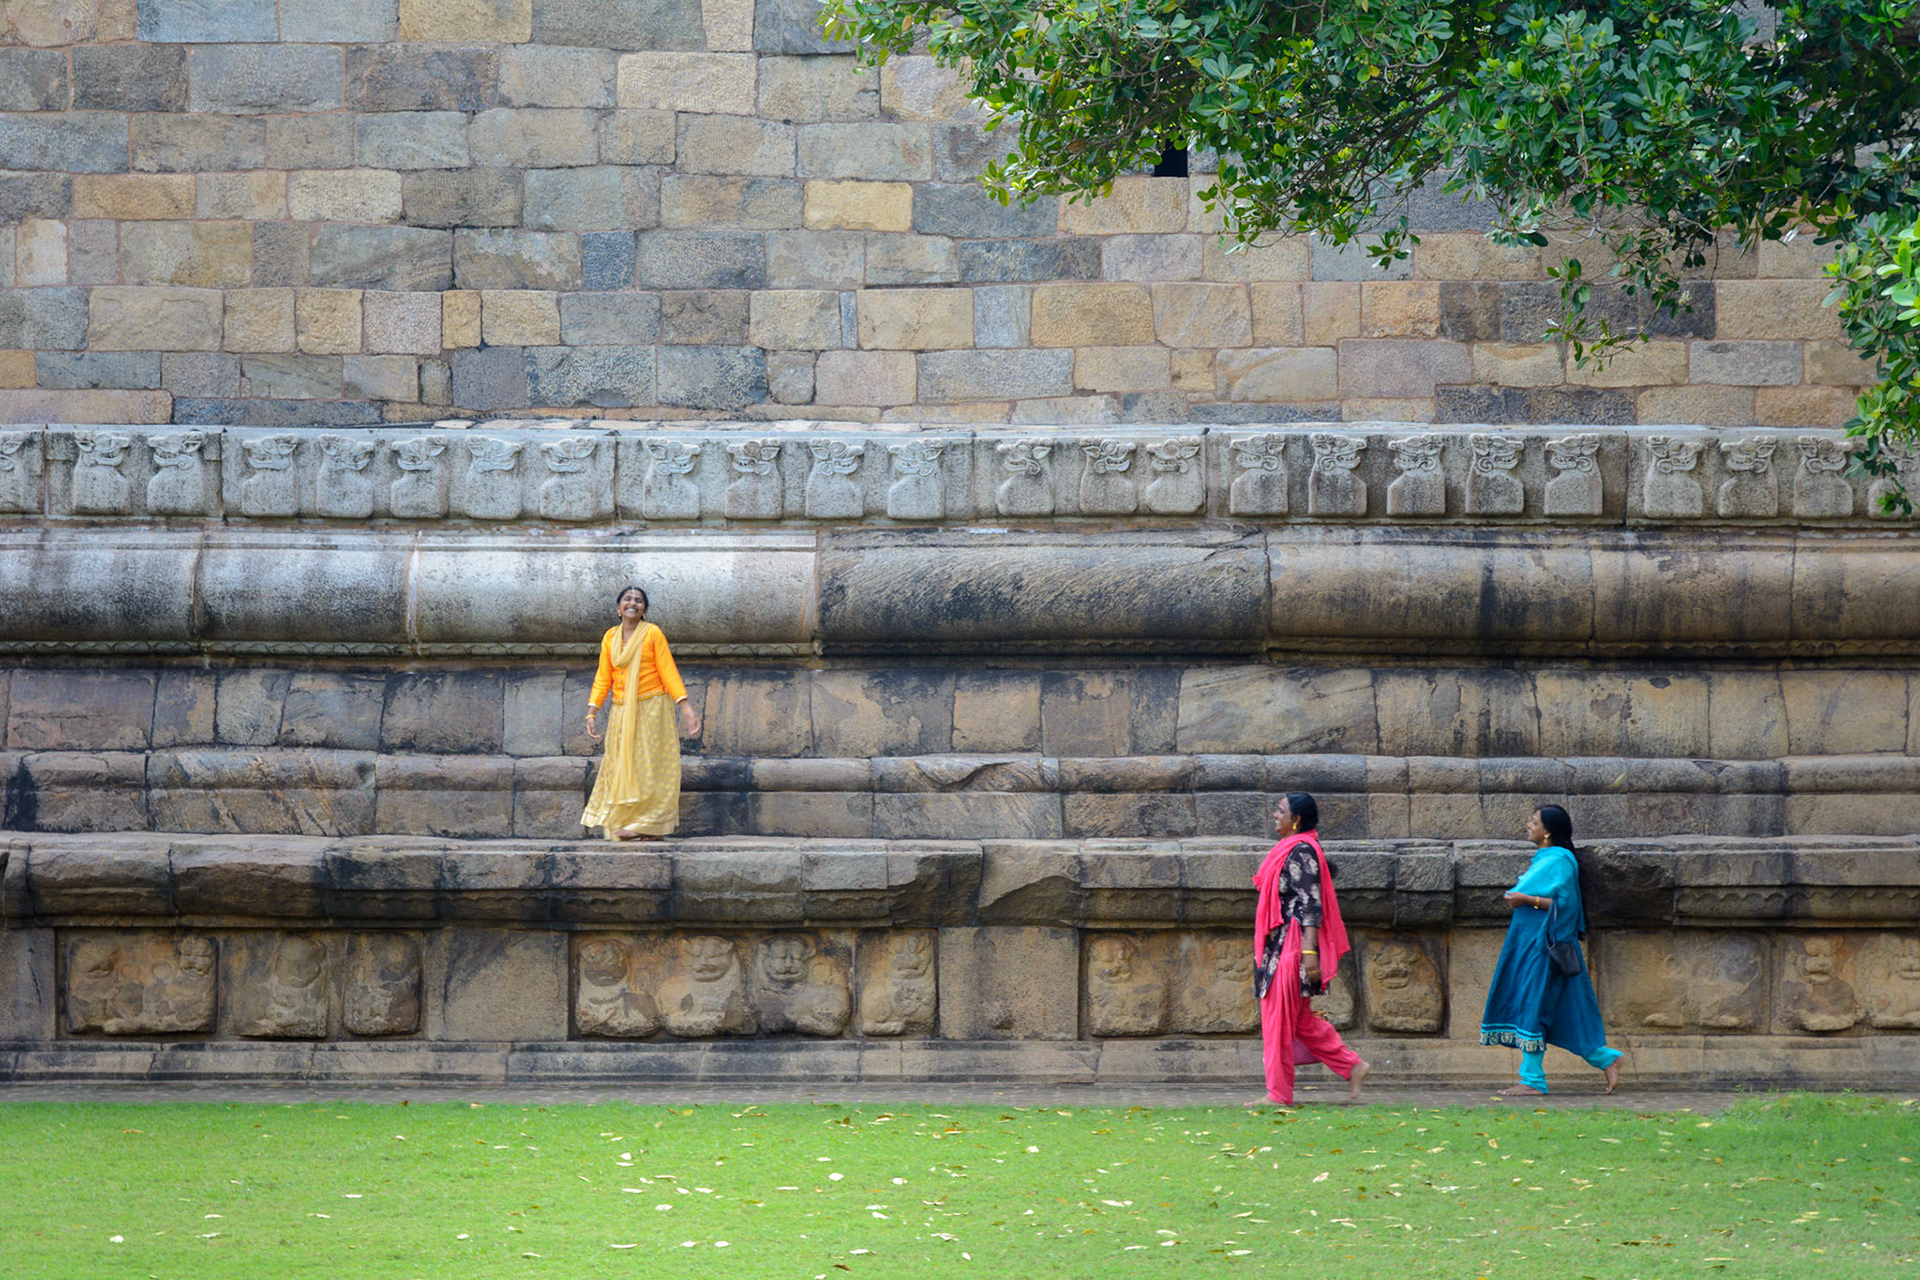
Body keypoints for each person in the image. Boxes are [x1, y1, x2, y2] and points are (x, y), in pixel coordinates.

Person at [1480, 804, 1624, 1096]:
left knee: (1533, 1005)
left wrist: (1525, 899)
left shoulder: (1559, 859)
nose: (1528, 825)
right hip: (1528, 943)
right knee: (1556, 1008)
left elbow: (1565, 906)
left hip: (1544, 947)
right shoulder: (1545, 858)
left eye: (1533, 822)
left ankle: (1532, 1080)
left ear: (1548, 831)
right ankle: (1605, 1058)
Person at [1253, 792, 1369, 1105]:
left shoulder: (1302, 850)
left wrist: (1308, 953)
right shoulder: (1290, 848)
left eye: (1280, 811)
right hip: (1280, 942)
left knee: (1278, 1019)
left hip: (1292, 944)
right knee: (1300, 1020)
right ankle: (1352, 1065)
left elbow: (1310, 903)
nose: (1275, 815)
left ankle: (1278, 1095)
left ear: (1297, 820)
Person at [581, 585, 701, 841]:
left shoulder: (652, 634)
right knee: (623, 766)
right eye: (627, 599)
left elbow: (668, 670)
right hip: (622, 711)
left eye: (638, 600)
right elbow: (604, 677)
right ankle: (640, 825)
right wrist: (592, 711)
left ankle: (647, 823)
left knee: (649, 766)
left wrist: (686, 707)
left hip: (652, 707)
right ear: (618, 607)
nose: (632, 603)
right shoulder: (610, 638)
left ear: (644, 610)